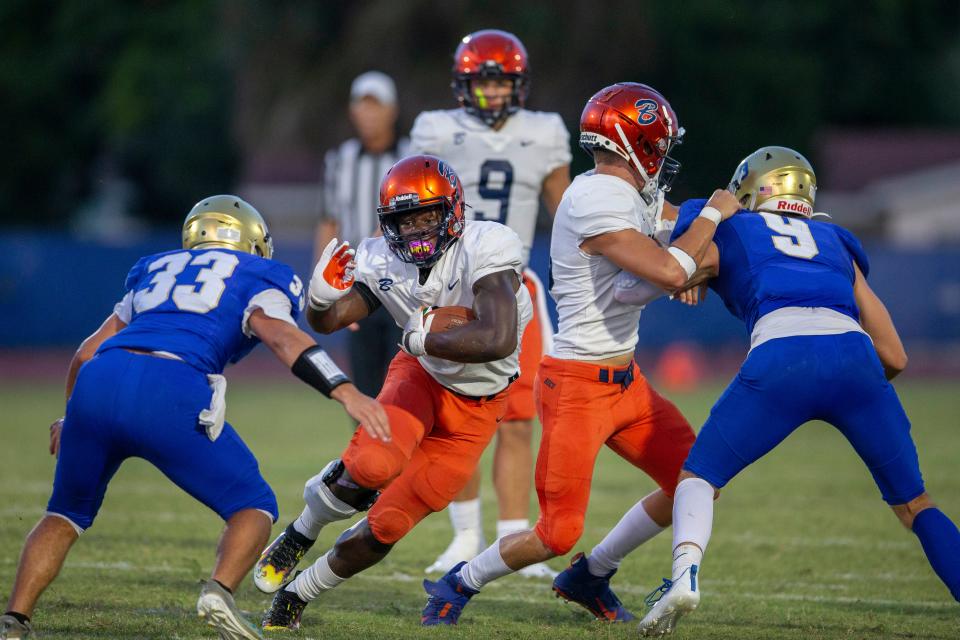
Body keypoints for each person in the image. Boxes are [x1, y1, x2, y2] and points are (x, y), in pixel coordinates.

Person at [417, 82, 741, 626]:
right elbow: (669, 267)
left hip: (627, 381)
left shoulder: (624, 191)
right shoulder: (594, 198)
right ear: (634, 142)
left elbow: (674, 224)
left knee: (695, 479)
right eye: (657, 144)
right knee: (556, 531)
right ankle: (461, 580)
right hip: (577, 385)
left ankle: (591, 574)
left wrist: (736, 220)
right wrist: (711, 219)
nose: (662, 156)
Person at [0, 196, 388, 640]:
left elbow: (86, 351)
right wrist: (345, 391)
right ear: (252, 242)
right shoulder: (260, 274)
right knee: (254, 507)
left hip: (98, 380)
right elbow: (282, 337)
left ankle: (14, 620)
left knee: (63, 514)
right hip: (169, 384)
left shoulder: (156, 270)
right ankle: (219, 592)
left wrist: (70, 417)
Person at [636, 147, 960, 636]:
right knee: (915, 505)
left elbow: (670, 233)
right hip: (855, 358)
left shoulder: (732, 224)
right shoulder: (834, 240)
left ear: (752, 188)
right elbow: (894, 356)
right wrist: (853, 395)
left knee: (698, 478)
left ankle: (684, 577)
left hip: (781, 354)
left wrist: (694, 254)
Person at [254, 155, 533, 631]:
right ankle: (301, 531)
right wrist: (318, 301)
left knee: (388, 526)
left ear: (454, 211)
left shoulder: (488, 246)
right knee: (371, 465)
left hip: (479, 407)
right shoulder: (381, 257)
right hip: (421, 376)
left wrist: (426, 337)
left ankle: (298, 592)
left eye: (427, 215)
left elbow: (498, 338)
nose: (418, 229)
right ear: (389, 224)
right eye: (405, 220)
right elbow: (331, 320)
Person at [409, 28, 571, 578]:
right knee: (456, 414)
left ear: (519, 84)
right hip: (451, 278)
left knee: (520, 416)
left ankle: (511, 539)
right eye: (485, 80)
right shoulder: (435, 128)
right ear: (463, 83)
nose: (495, 92)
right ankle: (464, 535)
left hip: (513, 280)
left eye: (503, 81)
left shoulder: (545, 131)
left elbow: (565, 212)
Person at [316, 70, 410, 401]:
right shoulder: (339, 160)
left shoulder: (413, 154)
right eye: (362, 105)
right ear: (353, 111)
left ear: (392, 110)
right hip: (358, 283)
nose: (368, 114)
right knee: (364, 385)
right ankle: (366, 451)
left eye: (376, 105)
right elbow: (329, 221)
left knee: (403, 381)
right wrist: (325, 285)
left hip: (404, 279)